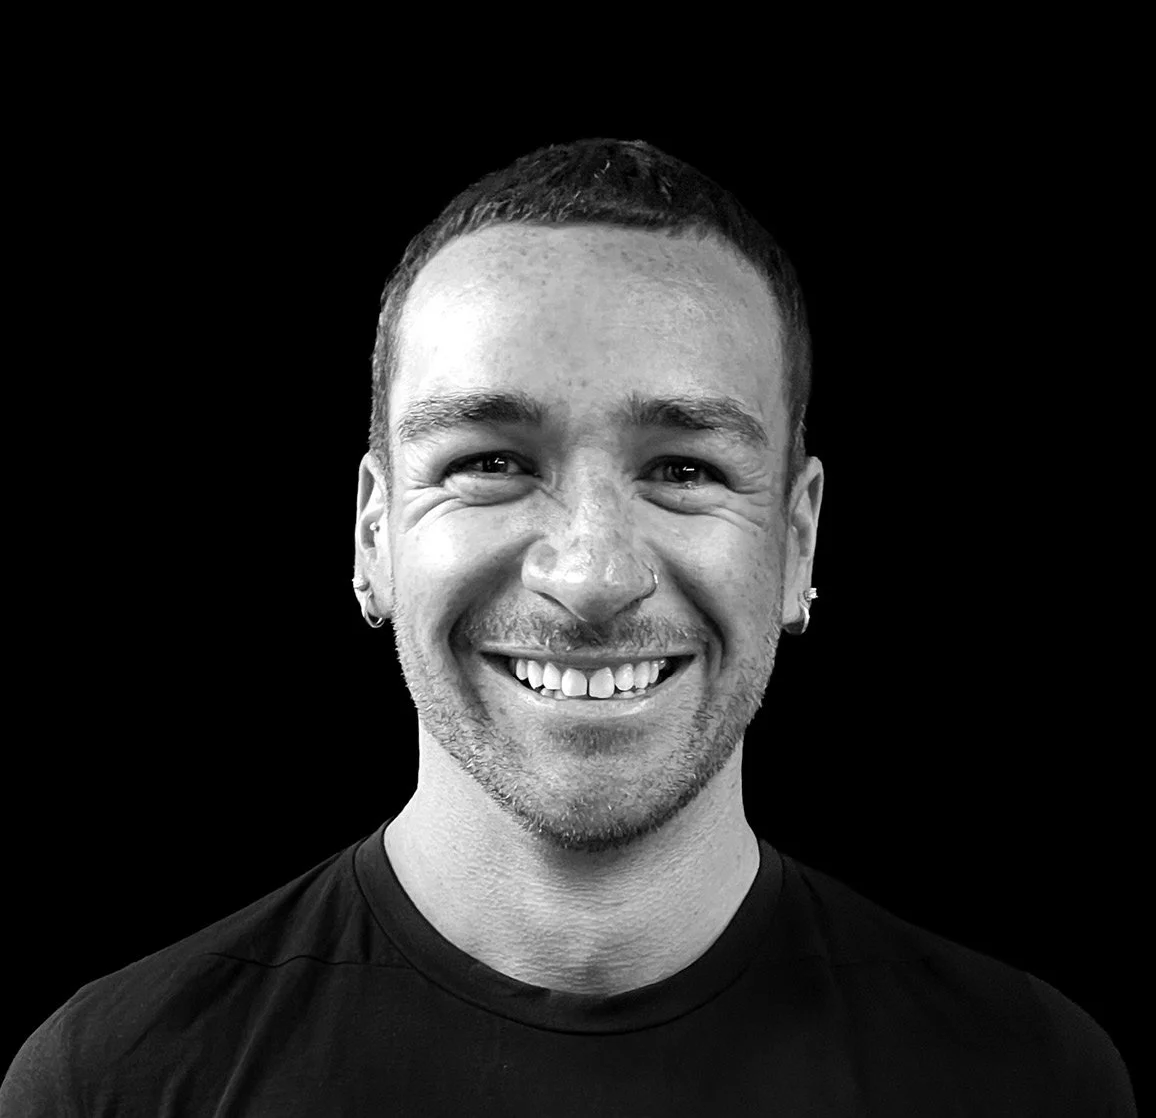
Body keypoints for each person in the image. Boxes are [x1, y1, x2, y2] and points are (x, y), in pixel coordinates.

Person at [1, 138, 1136, 1115]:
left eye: (684, 469)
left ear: (797, 545)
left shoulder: (1029, 1078)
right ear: (373, 533)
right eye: (491, 462)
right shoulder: (116, 1081)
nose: (592, 576)